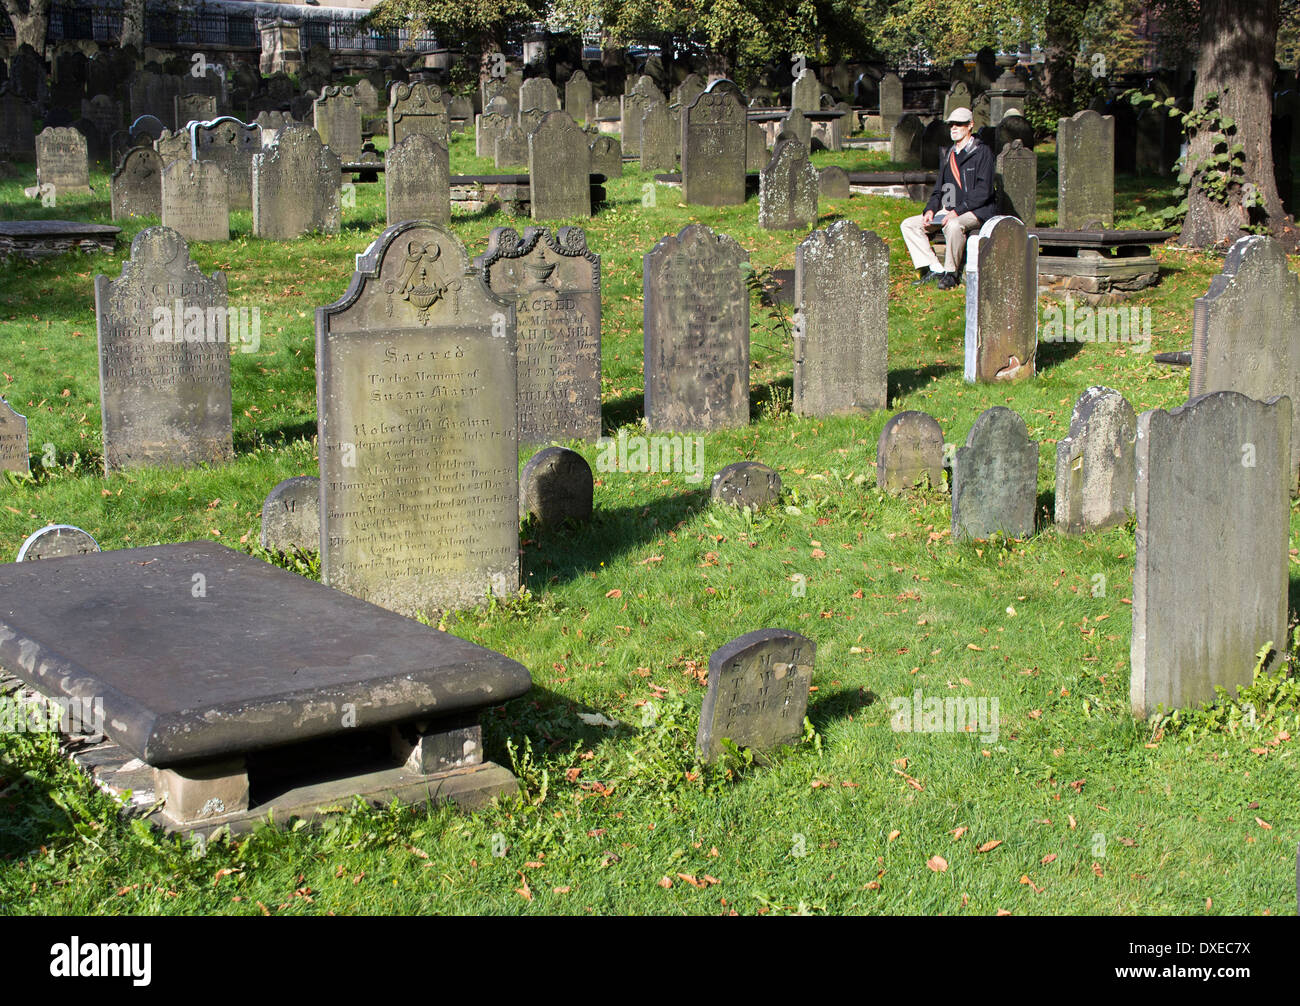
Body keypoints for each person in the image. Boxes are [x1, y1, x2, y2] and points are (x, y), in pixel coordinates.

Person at [899, 107, 997, 290]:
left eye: (959, 124)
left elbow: (984, 192)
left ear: (970, 126)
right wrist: (930, 210)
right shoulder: (949, 154)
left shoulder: (983, 153)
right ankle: (935, 269)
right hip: (951, 209)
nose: (954, 127)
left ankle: (951, 274)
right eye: (951, 124)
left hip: (977, 211)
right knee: (909, 225)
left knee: (953, 225)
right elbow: (939, 190)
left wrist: (957, 212)